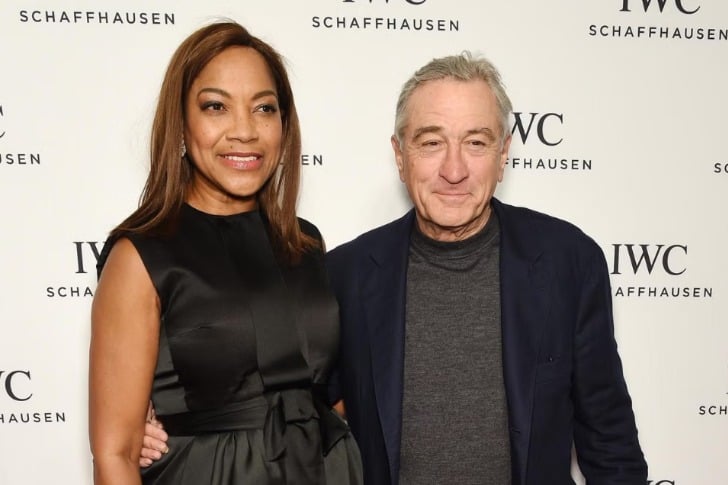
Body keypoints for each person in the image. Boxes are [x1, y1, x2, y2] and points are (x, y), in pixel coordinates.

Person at [142, 52, 648, 484]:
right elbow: (285, 404)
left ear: (503, 154)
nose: (454, 170)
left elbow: (609, 439)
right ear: (400, 155)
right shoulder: (345, 274)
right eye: (431, 142)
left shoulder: (566, 261)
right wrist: (160, 422)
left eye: (476, 142)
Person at [88, 21, 362, 485]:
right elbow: (115, 454)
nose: (244, 131)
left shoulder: (306, 243)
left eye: (263, 108)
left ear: (283, 125)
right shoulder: (141, 256)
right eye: (216, 106)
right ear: (180, 123)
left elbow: (325, 390)